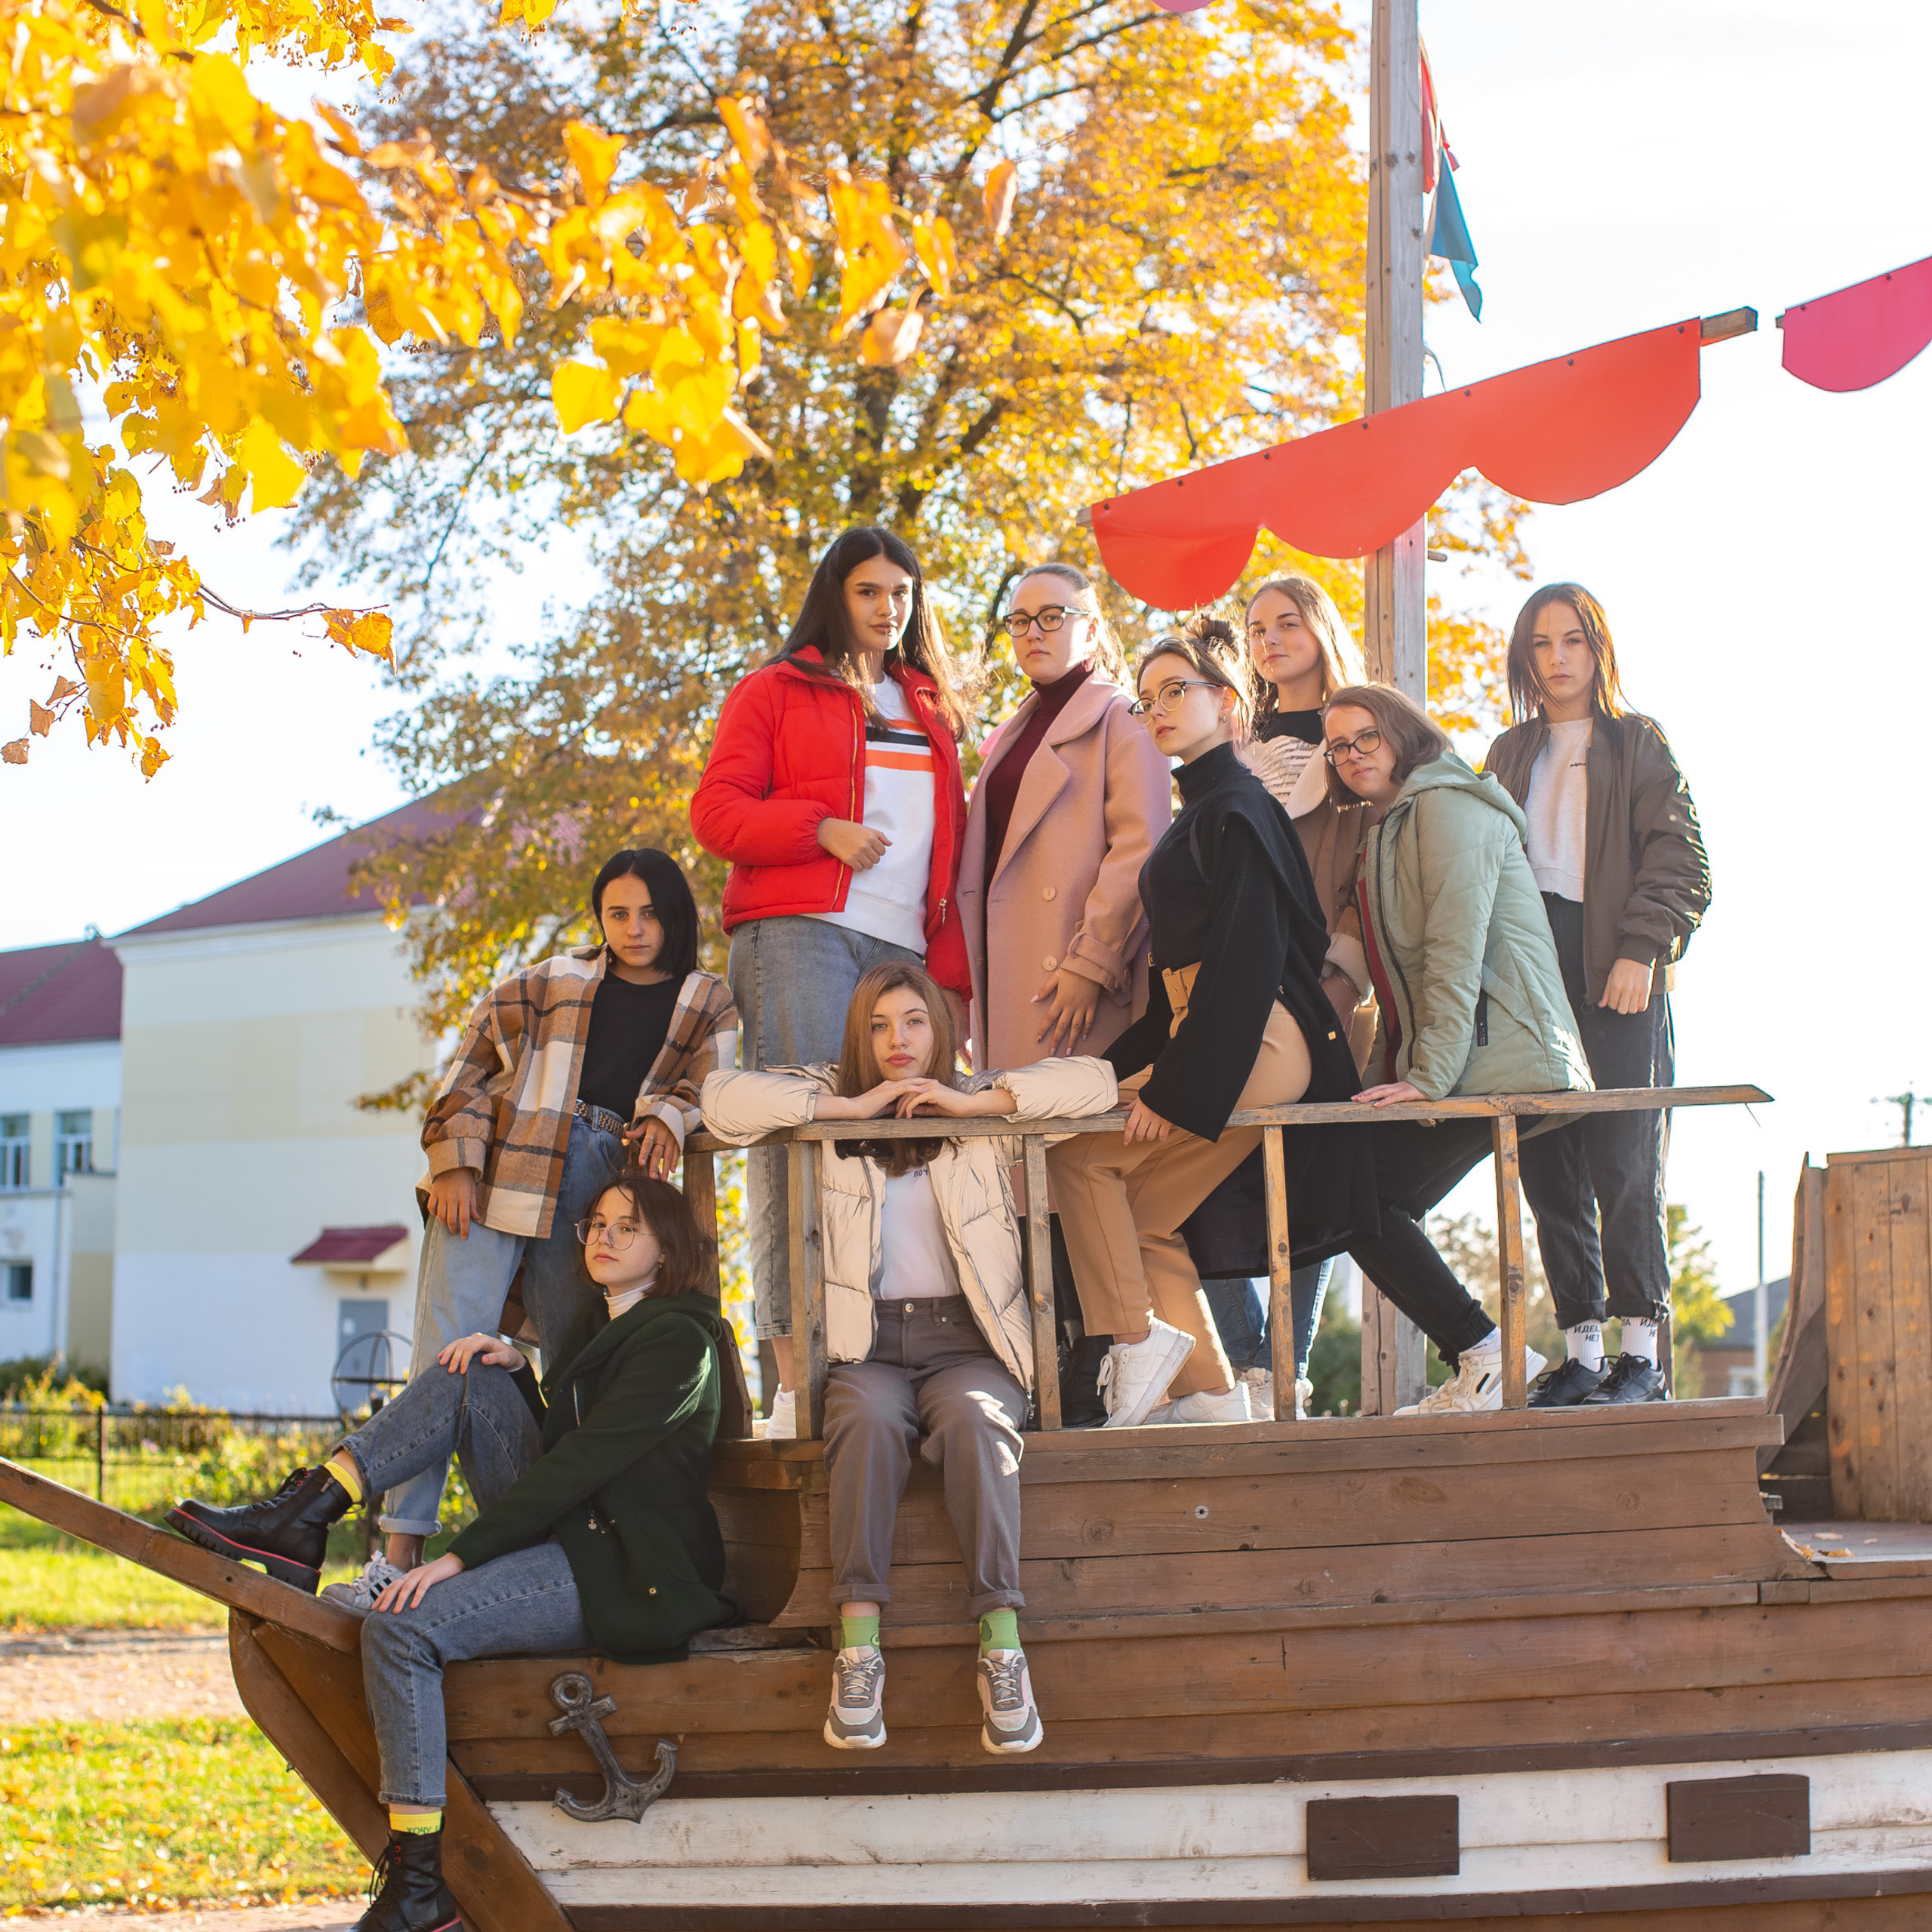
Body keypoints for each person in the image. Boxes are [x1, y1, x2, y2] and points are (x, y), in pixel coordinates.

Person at [168, 1171, 736, 1932]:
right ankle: (306, 1512)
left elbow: (584, 1465)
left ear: (667, 1252)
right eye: (595, 1223)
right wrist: (522, 1376)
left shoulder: (679, 1338)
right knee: (465, 1369)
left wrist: (456, 1558)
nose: (602, 1236)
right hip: (581, 1531)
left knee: (400, 1629)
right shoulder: (604, 1326)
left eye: (625, 1227)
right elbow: (571, 1448)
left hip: (621, 1569)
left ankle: (420, 1885)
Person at [700, 961, 1115, 1755]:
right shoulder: (825, 1097)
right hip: (869, 1346)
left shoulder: (977, 1101)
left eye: (915, 1022)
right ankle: (858, 1655)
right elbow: (722, 1101)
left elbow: (1094, 1085)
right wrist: (847, 1108)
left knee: (977, 1421)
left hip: (968, 1343)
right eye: (882, 1025)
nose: (899, 1041)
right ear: (861, 1033)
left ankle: (1001, 1648)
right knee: (856, 1419)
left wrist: (972, 1103)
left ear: (941, 1029)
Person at [337, 848, 736, 1612]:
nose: (633, 928)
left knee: (576, 1357)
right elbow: (470, 1065)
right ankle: (399, 1548)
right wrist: (453, 1158)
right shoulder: (553, 978)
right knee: (444, 1351)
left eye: (649, 912)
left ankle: (546, 1551)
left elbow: (710, 1085)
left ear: (676, 916)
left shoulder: (705, 997)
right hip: (500, 1168)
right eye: (617, 913)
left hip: (598, 1173)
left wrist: (666, 1114)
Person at [1047, 626, 1376, 1428]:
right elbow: (1170, 996)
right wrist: (1106, 1068)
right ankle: (1207, 1392)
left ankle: (1134, 1342)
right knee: (1136, 1209)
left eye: (1175, 690)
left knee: (1083, 1162)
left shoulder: (1238, 805)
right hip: (1221, 1034)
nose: (1156, 708)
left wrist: (1176, 1083)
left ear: (1225, 702)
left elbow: (1248, 955)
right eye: (1146, 697)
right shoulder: (1200, 811)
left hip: (1258, 1036)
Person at [691, 527, 974, 1440]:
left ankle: (872, 1361)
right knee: (797, 1141)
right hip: (801, 937)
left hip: (903, 952)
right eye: (868, 591)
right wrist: (819, 830)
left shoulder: (932, 705)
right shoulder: (776, 689)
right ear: (834, 596)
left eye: (901, 591)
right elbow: (717, 812)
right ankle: (790, 1381)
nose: (887, 607)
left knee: (893, 1149)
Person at [1324, 683, 1593, 1414]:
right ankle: (1483, 1357)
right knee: (1359, 1200)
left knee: (1356, 1194)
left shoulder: (1445, 807)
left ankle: (1485, 1356)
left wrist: (1427, 1076)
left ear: (1404, 735)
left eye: (1365, 737)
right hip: (1468, 1055)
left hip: (1501, 1052)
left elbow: (1455, 949)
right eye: (1338, 746)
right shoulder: (1390, 825)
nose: (1351, 755)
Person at [958, 561, 1172, 1422]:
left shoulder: (1118, 717)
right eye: (1018, 621)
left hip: (1076, 979)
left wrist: (1091, 959)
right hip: (1017, 987)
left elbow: (1139, 845)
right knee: (1026, 1178)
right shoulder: (1014, 730)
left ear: (1094, 624)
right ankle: (1052, 1379)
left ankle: (1096, 1374)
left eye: (1053, 615)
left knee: (1070, 1166)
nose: (1033, 632)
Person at [1485, 585, 1710, 1406]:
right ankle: (1581, 1355)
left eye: (1572, 640)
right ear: (1524, 657)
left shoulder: (1634, 741)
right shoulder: (1508, 752)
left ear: (1597, 648)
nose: (1557, 658)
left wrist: (1640, 952)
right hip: (1532, 985)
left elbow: (1681, 861)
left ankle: (1640, 1358)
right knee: (1548, 1171)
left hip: (1614, 973)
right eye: (1540, 644)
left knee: (1623, 1165)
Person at [1195, 578, 1375, 1418]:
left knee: (1309, 1174)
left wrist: (1343, 975)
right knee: (1205, 1167)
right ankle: (1246, 1363)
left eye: (1287, 622)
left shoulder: (1355, 731)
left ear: (1320, 629)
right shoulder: (1236, 743)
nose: (1269, 639)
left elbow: (1367, 864)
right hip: (1234, 973)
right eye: (1256, 628)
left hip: (1324, 983)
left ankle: (1283, 1372)